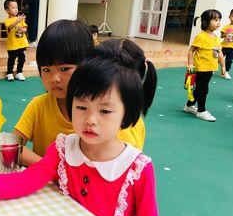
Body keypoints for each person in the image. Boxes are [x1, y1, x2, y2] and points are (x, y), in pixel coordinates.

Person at [0, 52, 160, 216]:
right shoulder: (64, 148)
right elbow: (26, 180)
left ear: (127, 114)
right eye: (81, 107)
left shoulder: (136, 167)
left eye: (105, 111)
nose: (90, 120)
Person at [14, 20, 147, 167]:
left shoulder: (113, 115)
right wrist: (50, 168)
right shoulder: (39, 105)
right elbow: (12, 146)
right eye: (46, 70)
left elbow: (120, 167)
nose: (55, 78)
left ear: (88, 65)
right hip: (49, 186)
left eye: (64, 69)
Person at [182, 9, 226, 122]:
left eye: (219, 20)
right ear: (206, 22)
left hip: (210, 68)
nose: (218, 22)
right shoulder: (201, 37)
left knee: (200, 89)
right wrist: (190, 64)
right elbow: (191, 51)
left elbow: (220, 53)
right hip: (201, 68)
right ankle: (201, 111)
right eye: (215, 20)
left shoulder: (216, 37)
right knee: (203, 89)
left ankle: (189, 106)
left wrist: (223, 66)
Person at [4, 0, 28, 82]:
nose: (16, 9)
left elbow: (25, 28)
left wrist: (23, 29)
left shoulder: (20, 19)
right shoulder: (8, 20)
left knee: (22, 58)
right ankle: (9, 73)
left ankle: (19, 72)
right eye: (13, 8)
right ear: (7, 10)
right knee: (11, 59)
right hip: (12, 44)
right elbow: (9, 28)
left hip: (22, 43)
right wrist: (17, 21)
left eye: (16, 8)